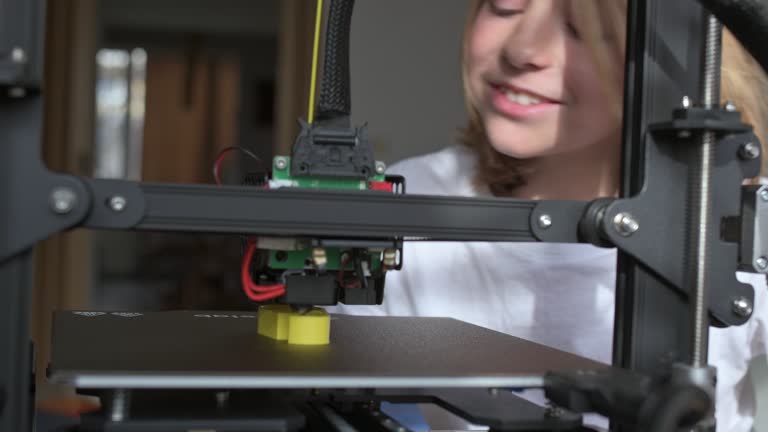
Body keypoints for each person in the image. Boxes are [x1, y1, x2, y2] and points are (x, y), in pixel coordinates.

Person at [335, 0, 768, 430]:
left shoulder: (746, 220)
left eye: (579, 29)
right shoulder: (398, 207)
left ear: (682, 53)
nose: (523, 50)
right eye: (505, 6)